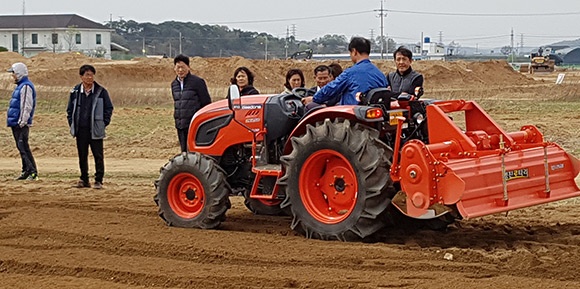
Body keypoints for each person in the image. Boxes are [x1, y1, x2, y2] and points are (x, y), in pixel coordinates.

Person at [66, 64, 114, 189]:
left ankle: (98, 180)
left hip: (95, 128)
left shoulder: (101, 91)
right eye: (87, 75)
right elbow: (70, 110)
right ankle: (84, 179)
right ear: (81, 77)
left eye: (92, 75)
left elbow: (109, 108)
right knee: (82, 155)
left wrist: (103, 123)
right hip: (80, 130)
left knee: (98, 155)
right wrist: (72, 124)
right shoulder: (75, 91)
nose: (90, 77)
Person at [303, 37, 387, 106]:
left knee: (310, 107)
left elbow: (332, 87)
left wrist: (314, 98)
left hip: (353, 116)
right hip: (375, 114)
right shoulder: (380, 74)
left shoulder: (350, 73)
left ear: (354, 52)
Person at [171, 54, 212, 153]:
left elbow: (206, 102)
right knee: (184, 151)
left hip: (194, 123)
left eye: (183, 67)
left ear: (188, 67)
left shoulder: (198, 82)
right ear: (174, 68)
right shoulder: (174, 84)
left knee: (194, 151)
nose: (180, 70)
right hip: (180, 123)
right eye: (178, 67)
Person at [7, 62, 38, 181]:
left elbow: (26, 105)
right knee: (21, 147)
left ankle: (33, 172)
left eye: (13, 73)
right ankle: (25, 170)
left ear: (19, 73)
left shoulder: (26, 86)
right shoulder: (20, 86)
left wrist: (22, 121)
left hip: (21, 124)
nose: (13, 76)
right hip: (16, 123)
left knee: (23, 147)